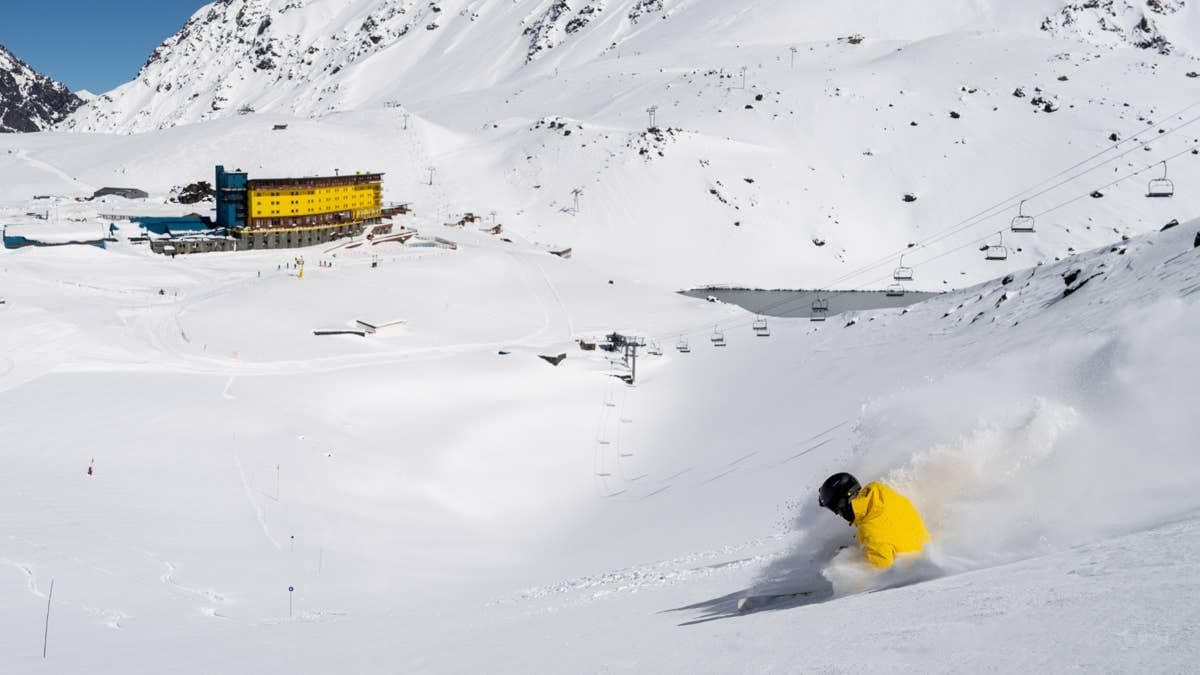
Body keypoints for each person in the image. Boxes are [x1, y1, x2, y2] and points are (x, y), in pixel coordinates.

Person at [818, 472, 930, 568]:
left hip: (914, 575)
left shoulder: (869, 532)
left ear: (842, 504)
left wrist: (851, 564)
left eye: (836, 510)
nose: (838, 514)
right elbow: (890, 532)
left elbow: (883, 573)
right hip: (925, 552)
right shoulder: (883, 493)